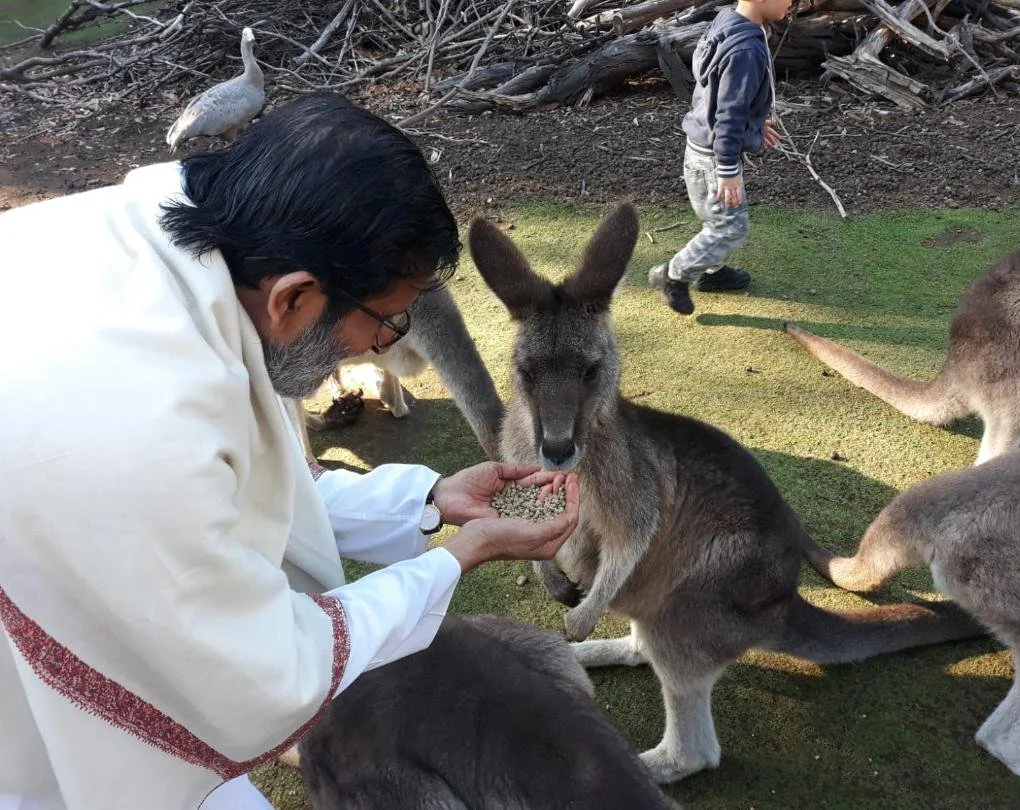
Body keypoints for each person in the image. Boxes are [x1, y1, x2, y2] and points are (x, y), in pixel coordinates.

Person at [0, 92, 580, 810]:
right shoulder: (139, 431)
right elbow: (269, 671)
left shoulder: (190, 261)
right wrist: (458, 557)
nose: (388, 343)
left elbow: (248, 490)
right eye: (388, 319)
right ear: (295, 299)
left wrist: (429, 501)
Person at [648, 0, 791, 315]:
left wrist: (753, 124)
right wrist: (727, 171)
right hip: (715, 158)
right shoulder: (746, 51)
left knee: (716, 218)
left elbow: (716, 91)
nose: (793, 1)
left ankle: (711, 272)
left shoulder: (728, 22)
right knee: (730, 227)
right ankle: (673, 274)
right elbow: (729, 114)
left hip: (698, 146)